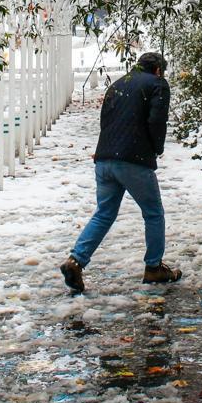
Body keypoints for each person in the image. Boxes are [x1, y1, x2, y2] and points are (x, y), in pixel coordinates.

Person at [61, 51, 182, 293]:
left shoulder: (118, 84)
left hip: (104, 159)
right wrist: (156, 148)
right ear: (158, 70)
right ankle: (153, 267)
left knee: (104, 213)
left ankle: (76, 260)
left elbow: (106, 119)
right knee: (153, 213)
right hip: (133, 160)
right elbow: (157, 120)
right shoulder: (157, 84)